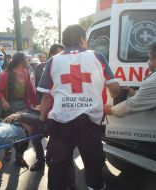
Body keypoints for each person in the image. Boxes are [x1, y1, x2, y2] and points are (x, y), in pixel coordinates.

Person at [37, 25, 120, 190]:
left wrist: (42, 120)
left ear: (64, 41)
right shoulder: (98, 57)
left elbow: (46, 97)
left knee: (57, 169)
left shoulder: (53, 60)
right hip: (90, 123)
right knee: (94, 167)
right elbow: (115, 90)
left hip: (61, 124)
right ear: (83, 38)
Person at [0, 52, 38, 161]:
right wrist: (3, 101)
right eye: (26, 60)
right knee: (9, 132)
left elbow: (31, 90)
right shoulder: (7, 74)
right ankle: (8, 150)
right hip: (11, 107)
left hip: (25, 106)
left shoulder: (26, 72)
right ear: (21, 61)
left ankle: (19, 154)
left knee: (25, 132)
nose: (28, 62)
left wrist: (36, 103)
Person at [31, 44, 65, 172]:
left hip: (60, 111)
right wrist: (39, 105)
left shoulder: (66, 66)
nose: (63, 56)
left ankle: (65, 174)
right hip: (44, 109)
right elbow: (38, 89)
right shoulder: (40, 67)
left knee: (60, 143)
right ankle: (40, 161)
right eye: (59, 53)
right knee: (36, 137)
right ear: (51, 54)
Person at [105, 41, 156, 117]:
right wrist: (134, 94)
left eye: (150, 58)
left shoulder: (152, 81)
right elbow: (149, 100)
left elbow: (133, 104)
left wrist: (111, 110)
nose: (148, 61)